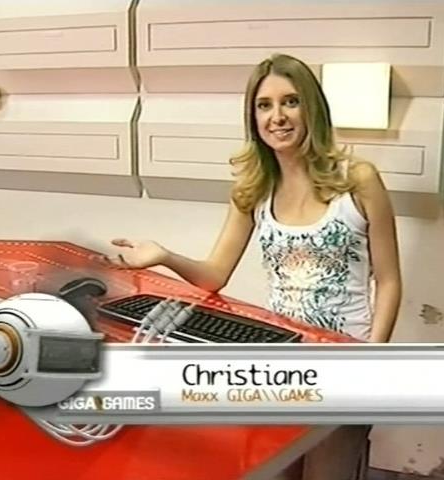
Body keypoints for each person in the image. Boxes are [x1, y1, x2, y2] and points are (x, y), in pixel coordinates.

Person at [105, 53, 402, 480]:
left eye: (290, 102)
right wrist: (164, 256)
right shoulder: (254, 190)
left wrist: (374, 358)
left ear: (312, 108)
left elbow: (388, 281)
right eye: (265, 105)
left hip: (345, 364)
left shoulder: (357, 179)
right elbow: (215, 275)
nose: (277, 116)